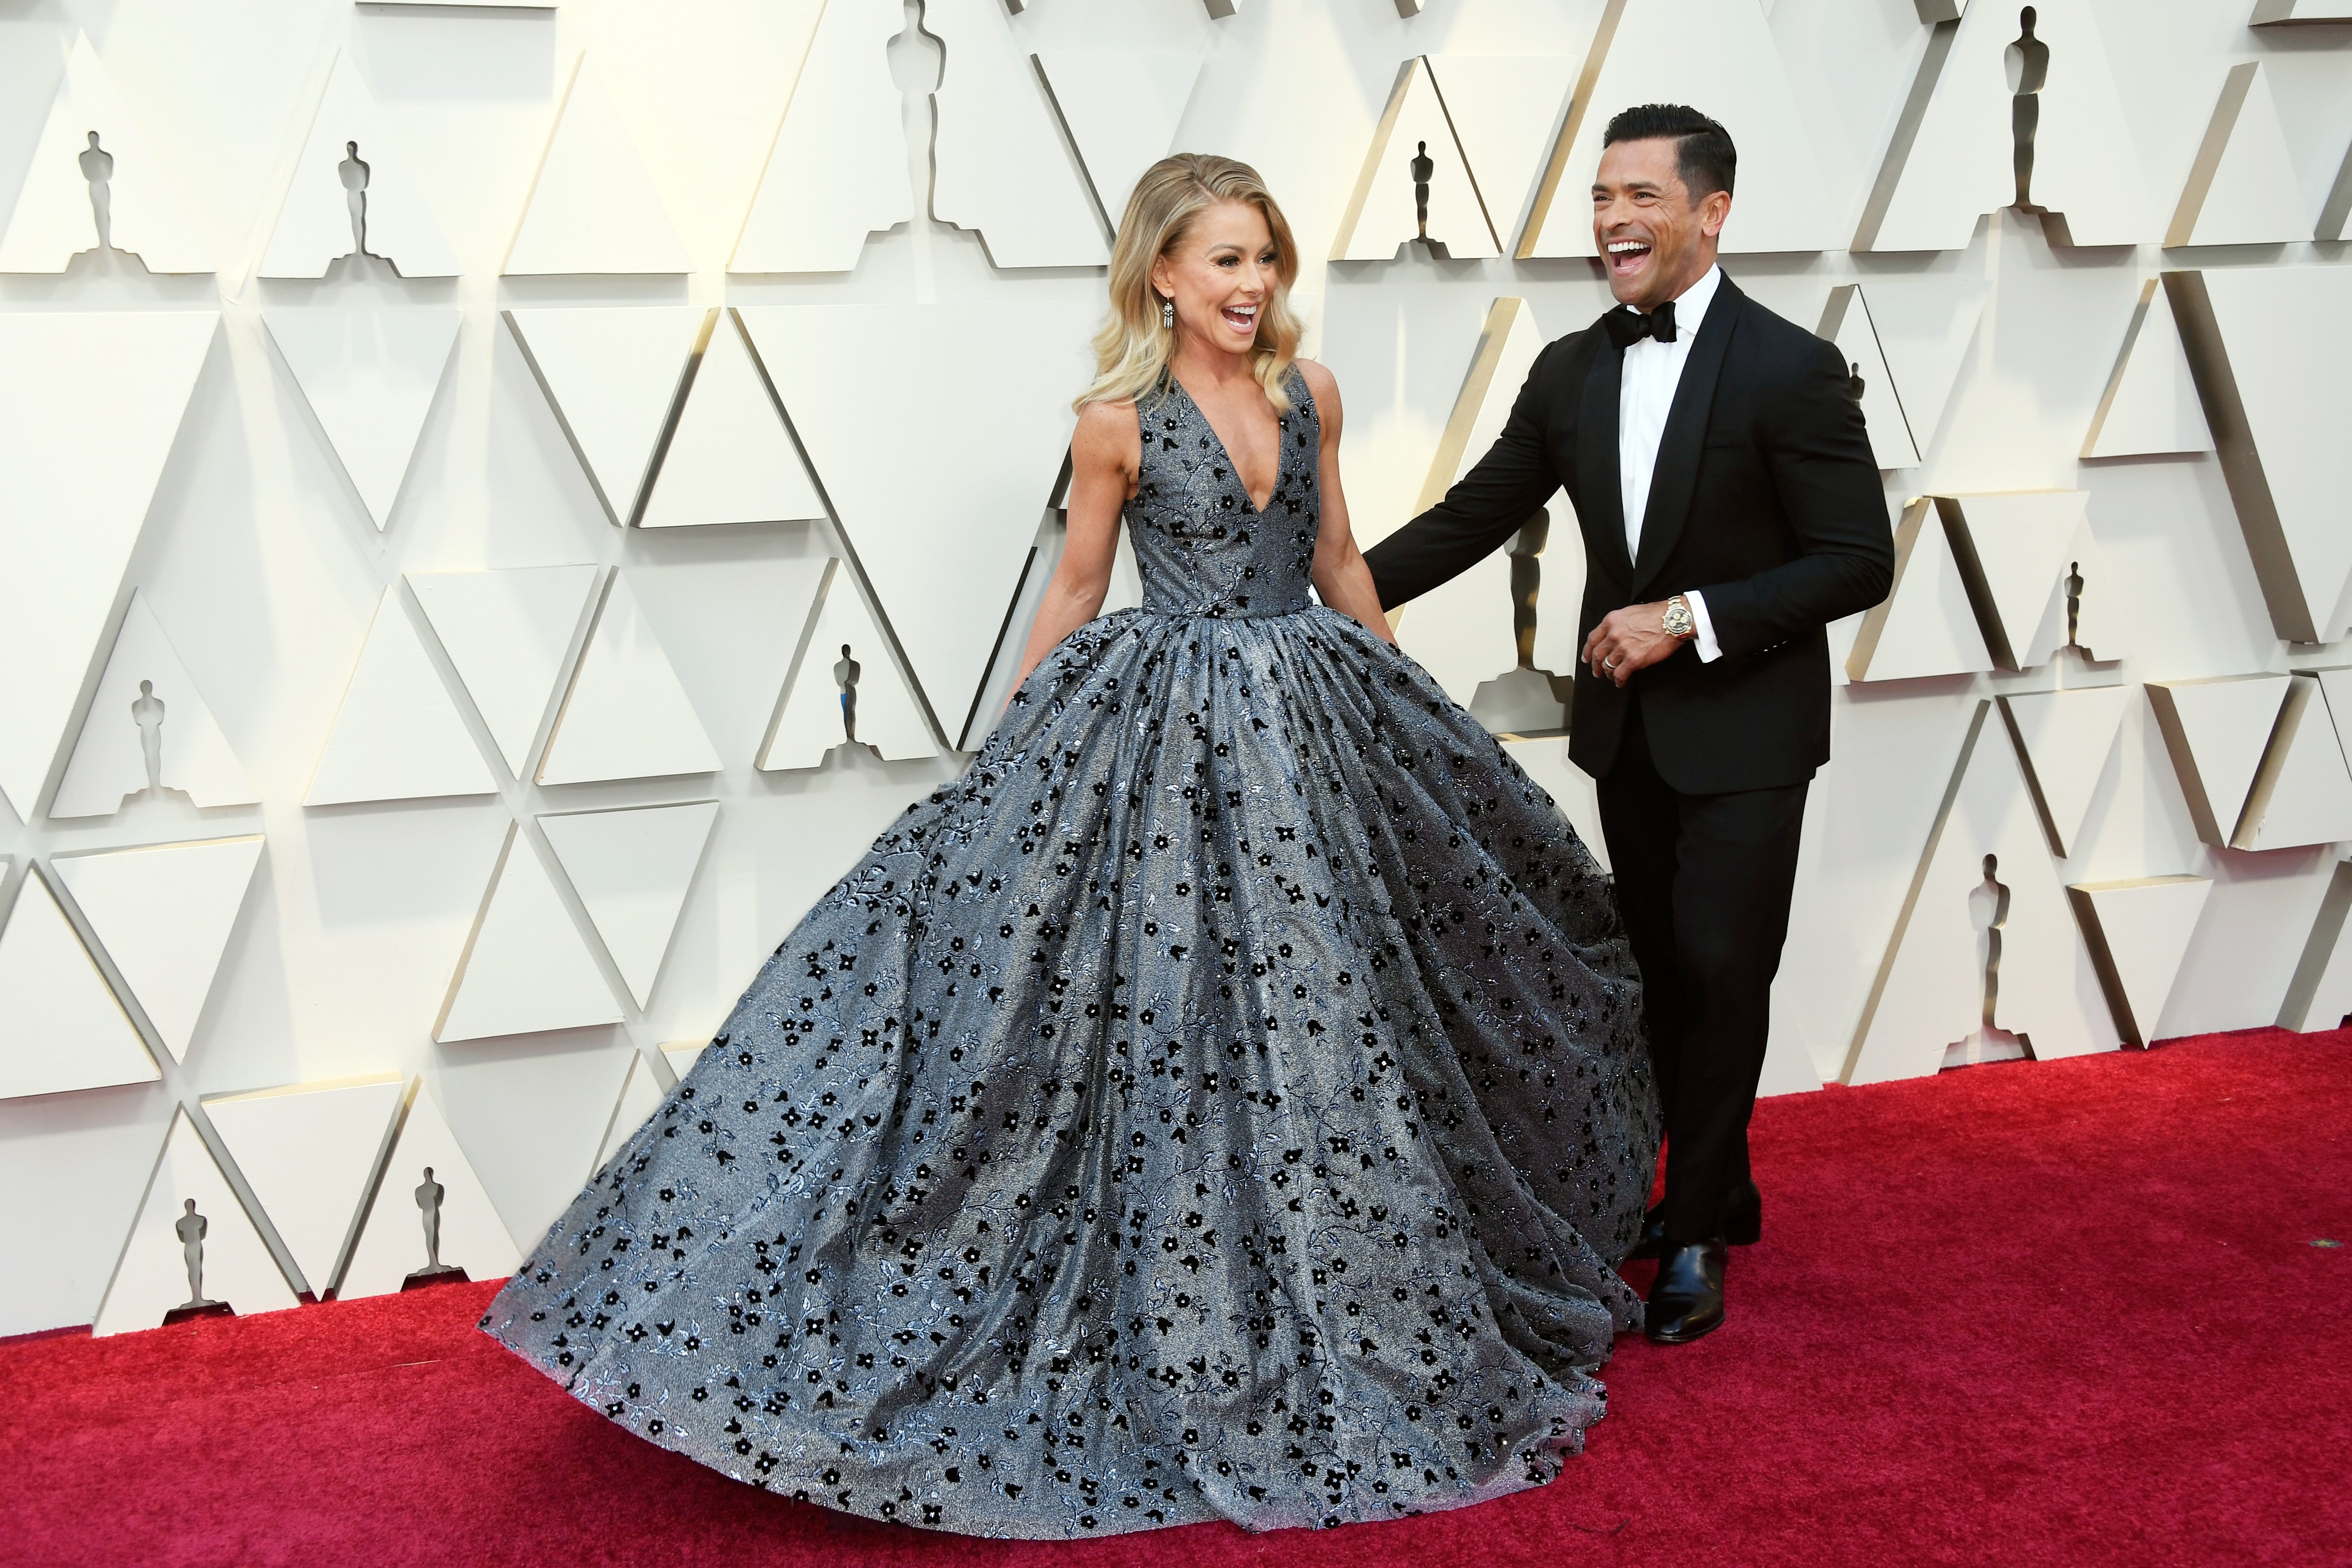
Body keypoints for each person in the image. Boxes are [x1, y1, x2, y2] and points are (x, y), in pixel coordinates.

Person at [482, 153, 1657, 1538]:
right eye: (1225, 260)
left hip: (1317, 709)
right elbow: (1082, 584)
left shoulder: (1310, 392)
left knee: (1347, 1000)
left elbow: (1339, 561)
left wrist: (1411, 711)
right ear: (1162, 271)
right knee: (1165, 1009)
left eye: (1265, 258)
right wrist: (1013, 763)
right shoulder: (1116, 422)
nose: (1252, 284)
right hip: (1168, 722)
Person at [1365, 105, 1893, 1345]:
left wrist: (1690, 615)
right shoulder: (1571, 366)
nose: (1611, 218)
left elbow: (1855, 560)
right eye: (1602, 195)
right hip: (1628, 737)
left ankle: (1699, 1223)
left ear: (1710, 213)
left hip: (1750, 730)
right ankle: (1705, 1185)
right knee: (1659, 978)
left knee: (1720, 968)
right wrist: (1313, 586)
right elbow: (1468, 518)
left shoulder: (1790, 367)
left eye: (1640, 196)